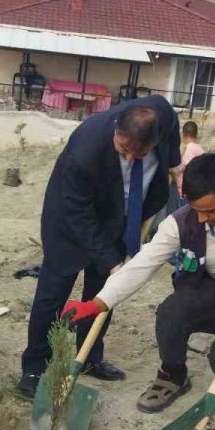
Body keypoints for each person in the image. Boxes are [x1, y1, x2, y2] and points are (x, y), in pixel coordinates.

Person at [62, 152, 215, 411]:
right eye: (197, 210)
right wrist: (96, 304)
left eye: (210, 210)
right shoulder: (182, 222)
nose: (202, 219)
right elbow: (142, 264)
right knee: (171, 311)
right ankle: (173, 375)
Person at [19, 97, 181, 398]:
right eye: (124, 150)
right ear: (116, 132)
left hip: (123, 215)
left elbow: (172, 133)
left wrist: (174, 164)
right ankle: (34, 366)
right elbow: (79, 216)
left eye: (140, 154)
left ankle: (91, 357)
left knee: (101, 294)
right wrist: (113, 261)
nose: (131, 159)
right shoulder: (85, 148)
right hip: (70, 222)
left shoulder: (162, 114)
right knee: (52, 294)